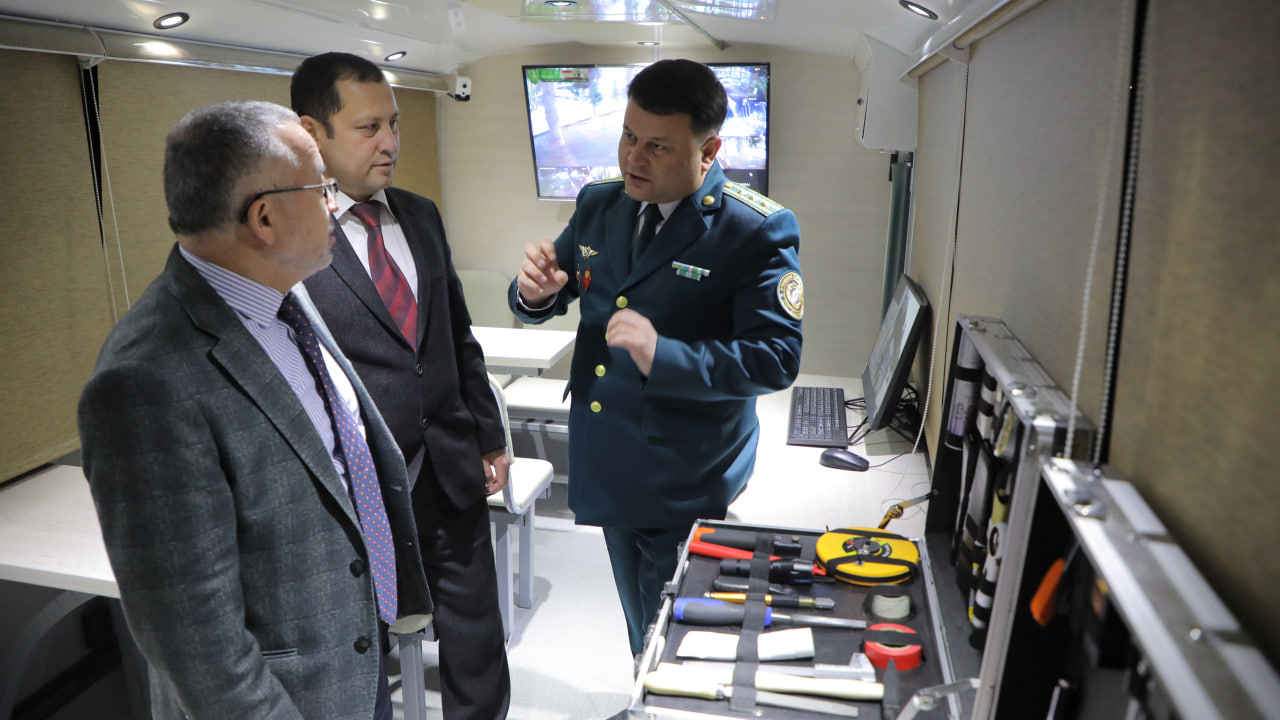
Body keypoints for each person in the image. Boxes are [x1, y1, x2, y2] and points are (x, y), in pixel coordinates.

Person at [78, 100, 432, 719]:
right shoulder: (145, 381)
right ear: (264, 217)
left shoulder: (282, 292)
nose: (334, 204)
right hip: (289, 698)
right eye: (321, 188)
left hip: (354, 652)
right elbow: (196, 643)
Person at [509, 58, 805, 656]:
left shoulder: (753, 229)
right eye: (628, 136)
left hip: (685, 471)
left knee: (674, 630)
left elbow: (775, 357)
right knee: (638, 618)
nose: (633, 159)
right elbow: (556, 290)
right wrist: (533, 294)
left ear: (709, 150)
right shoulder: (599, 204)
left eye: (657, 147)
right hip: (606, 456)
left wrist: (662, 355)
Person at [290, 52, 511, 719]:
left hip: (450, 466)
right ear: (312, 134)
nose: (389, 142)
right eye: (368, 128)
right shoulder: (289, 239)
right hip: (359, 488)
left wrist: (489, 435)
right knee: (361, 652)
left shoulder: (420, 214)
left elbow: (456, 334)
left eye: (393, 124)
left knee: (476, 643)